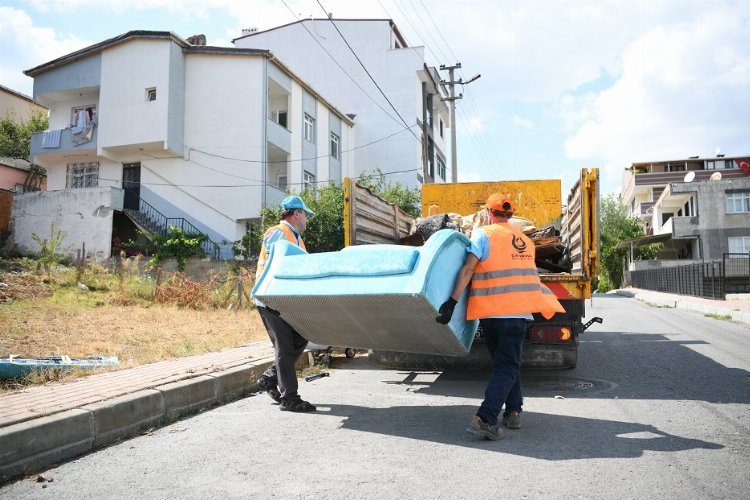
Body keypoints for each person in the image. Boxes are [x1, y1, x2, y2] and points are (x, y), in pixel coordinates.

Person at [436, 193, 564, 440]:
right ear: (510, 215)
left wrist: (452, 301)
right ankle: (486, 417)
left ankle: (512, 411)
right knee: (508, 365)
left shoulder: (484, 234)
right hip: (516, 314)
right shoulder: (525, 241)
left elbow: (468, 268)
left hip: (490, 313)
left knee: (506, 365)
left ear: (489, 213)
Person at [253, 195, 317, 412]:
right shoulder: (277, 232)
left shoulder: (298, 239)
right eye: (305, 215)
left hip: (286, 301)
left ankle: (270, 378)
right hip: (270, 297)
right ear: (297, 213)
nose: (307, 219)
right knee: (284, 347)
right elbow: (275, 264)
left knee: (301, 336)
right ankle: (290, 397)